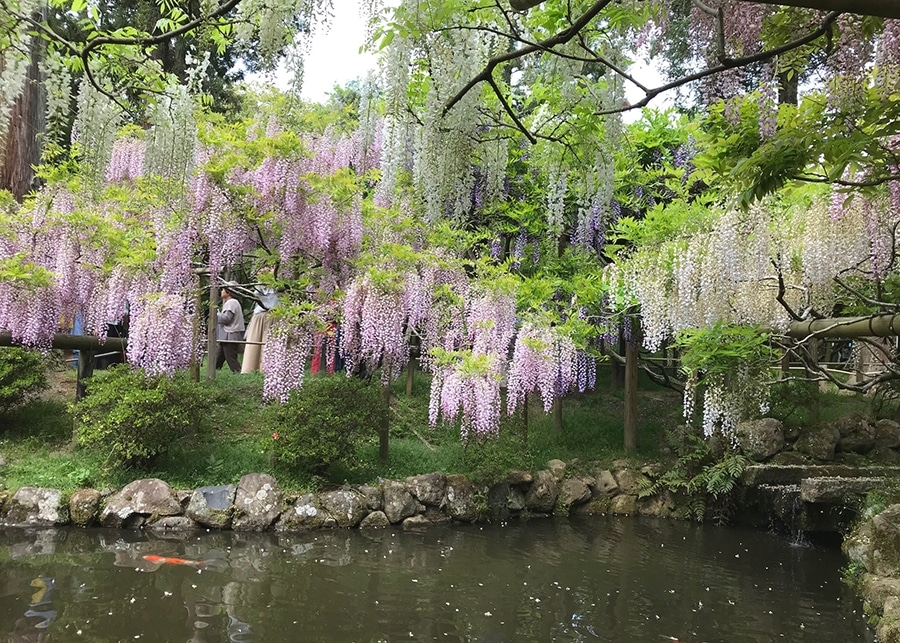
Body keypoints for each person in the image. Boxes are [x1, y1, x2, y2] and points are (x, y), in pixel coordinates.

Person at [241, 286, 278, 374]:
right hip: (260, 315)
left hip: (274, 315)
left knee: (270, 342)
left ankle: (269, 368)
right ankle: (251, 367)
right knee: (254, 342)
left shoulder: (279, 287)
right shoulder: (259, 287)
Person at [216, 288, 245, 373]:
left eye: (223, 290)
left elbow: (226, 319)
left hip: (231, 334)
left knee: (231, 357)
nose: (221, 291)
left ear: (228, 293)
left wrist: (216, 314)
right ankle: (214, 370)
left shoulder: (231, 303)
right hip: (227, 334)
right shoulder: (232, 302)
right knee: (219, 356)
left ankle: (238, 372)